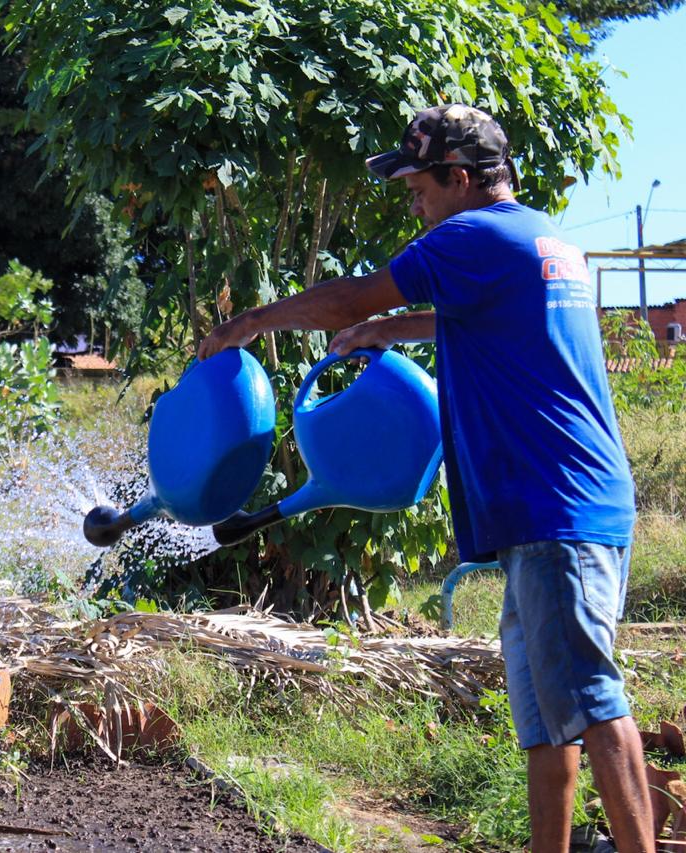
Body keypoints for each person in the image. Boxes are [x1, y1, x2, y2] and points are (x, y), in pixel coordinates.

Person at [198, 104, 654, 852]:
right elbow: (486, 319)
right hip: (561, 504)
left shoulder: (468, 235)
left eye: (418, 183)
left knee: (595, 701)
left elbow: (352, 294)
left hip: (555, 506)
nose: (411, 199)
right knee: (547, 717)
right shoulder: (539, 238)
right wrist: (390, 331)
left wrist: (253, 320)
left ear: (461, 178)